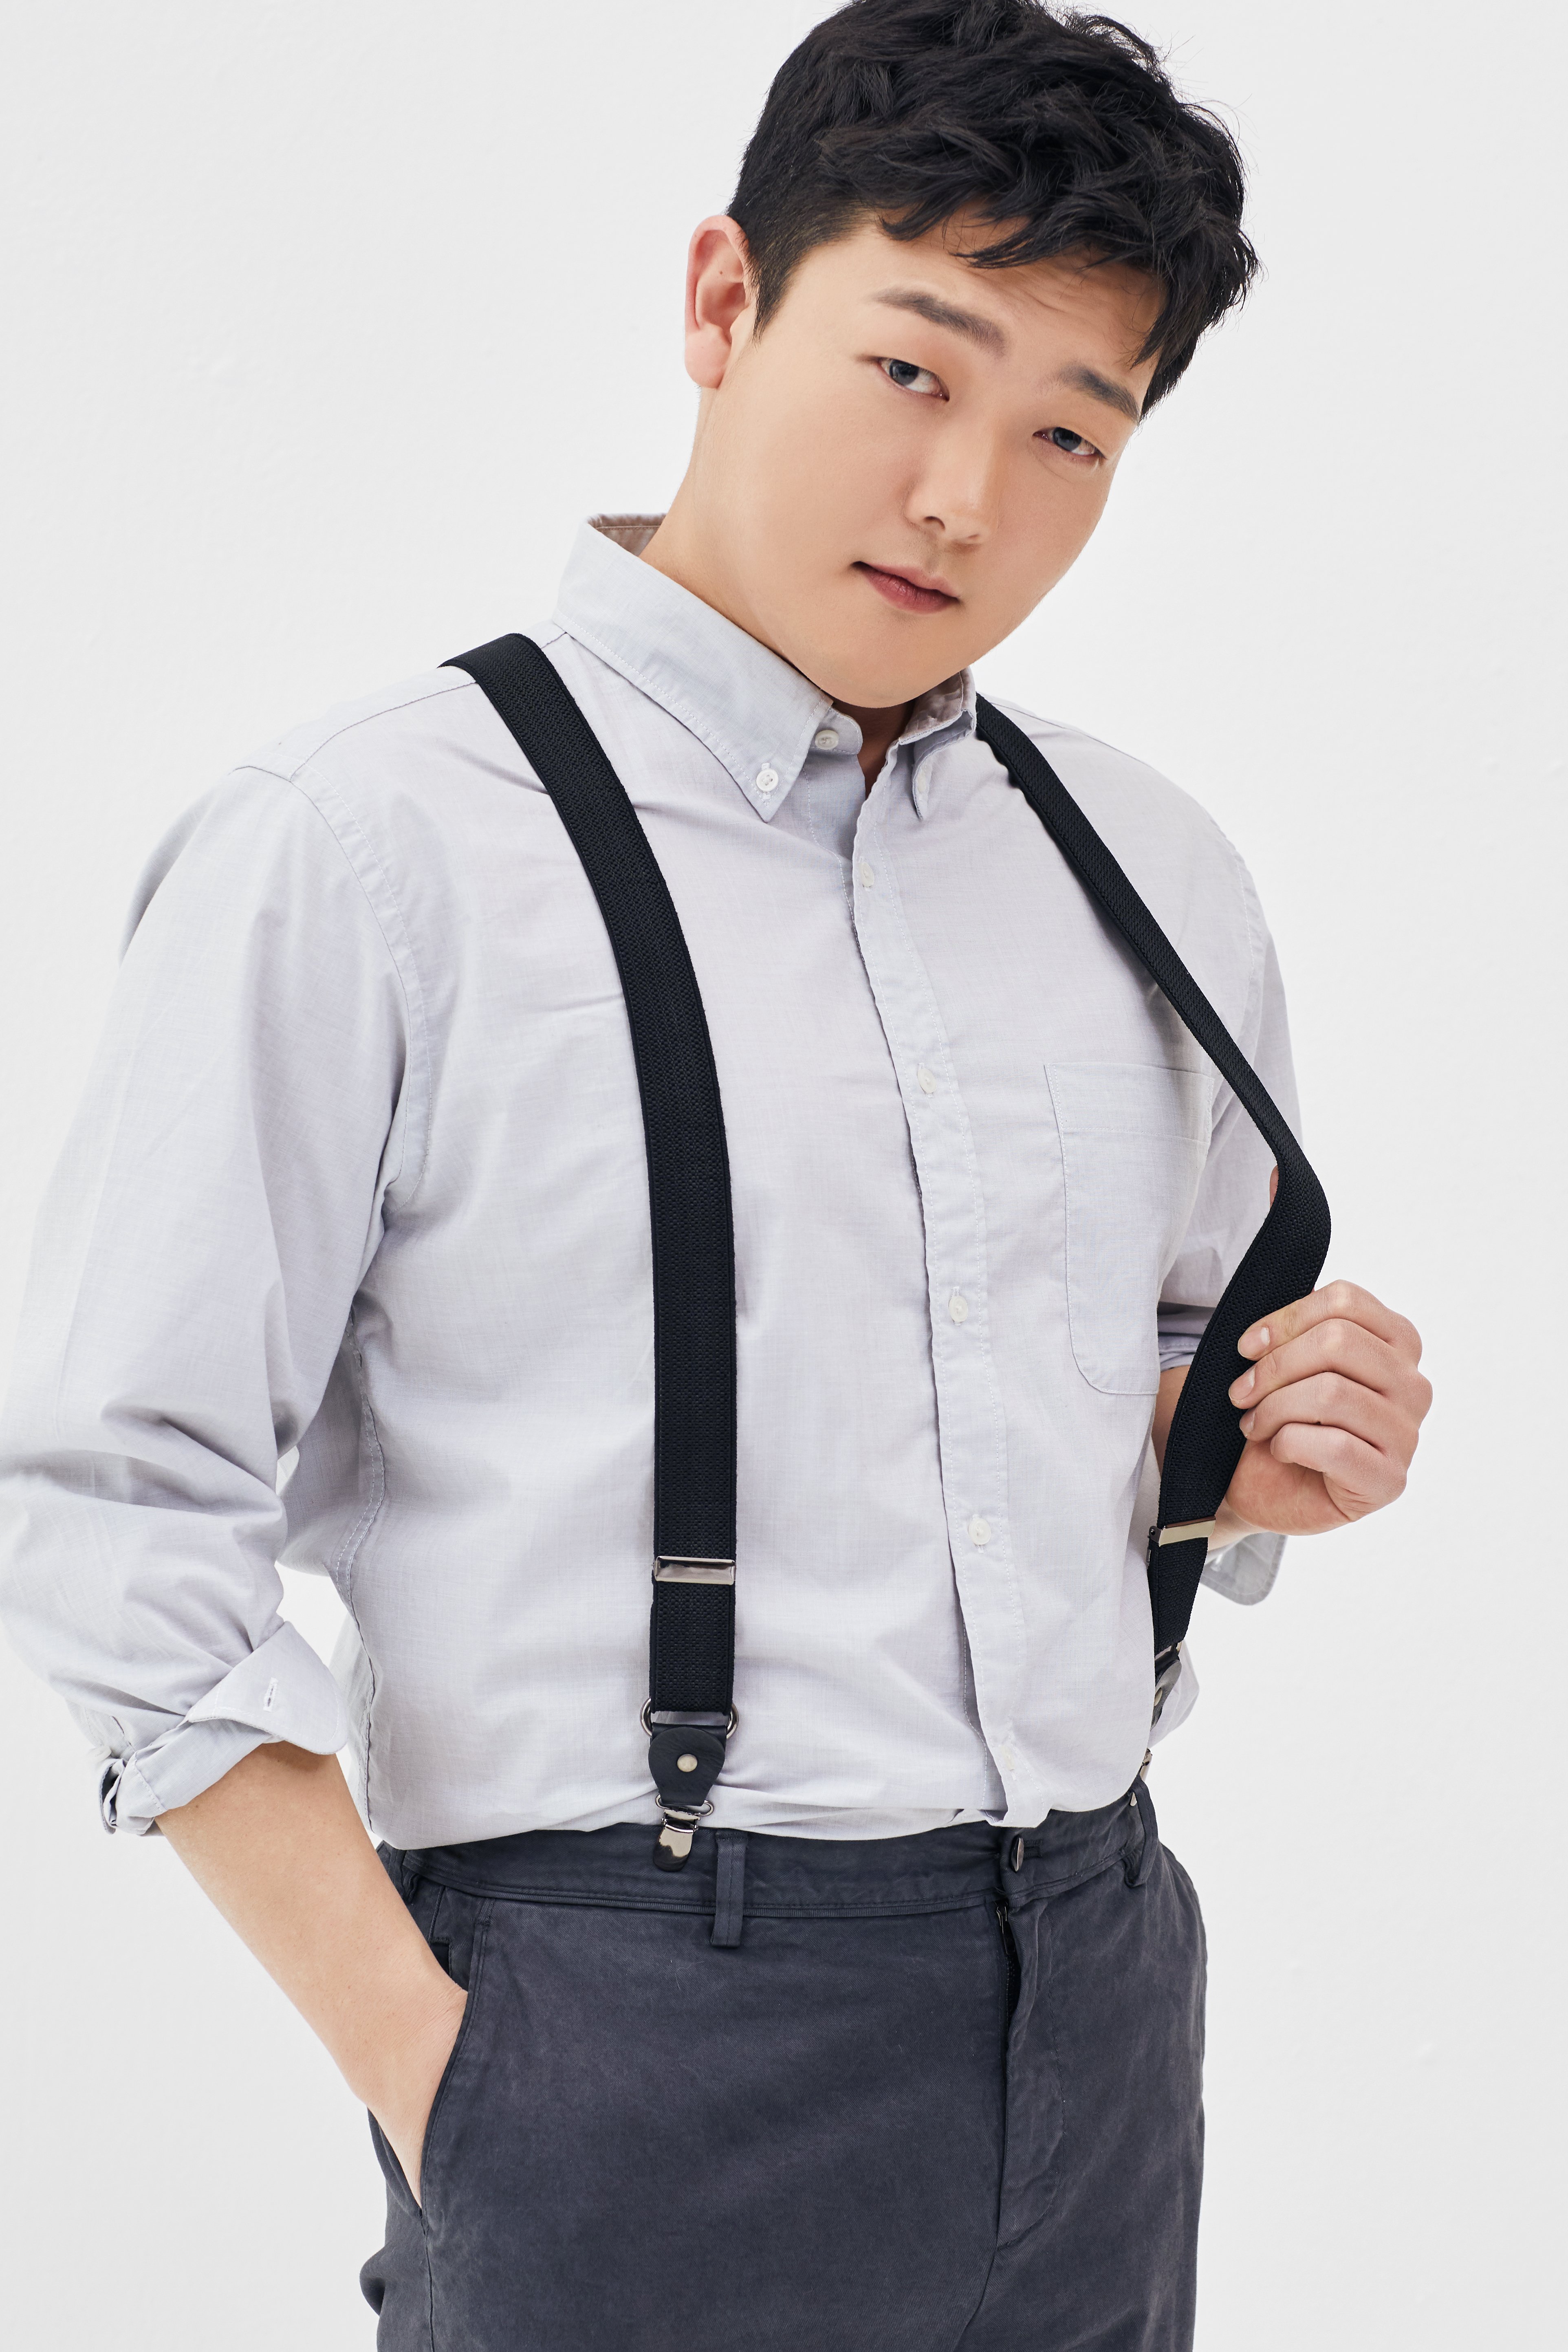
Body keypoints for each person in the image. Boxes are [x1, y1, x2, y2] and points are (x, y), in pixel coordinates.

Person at [0, 3, 1431, 2345]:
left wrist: (1252, 1448)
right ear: (723, 300)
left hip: (1096, 1988)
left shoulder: (1146, 868)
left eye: (1071, 432)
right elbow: (113, 1498)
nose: (966, 496)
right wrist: (445, 2075)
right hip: (627, 2026)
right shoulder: (366, 846)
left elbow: (1161, 1363)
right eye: (913, 370)